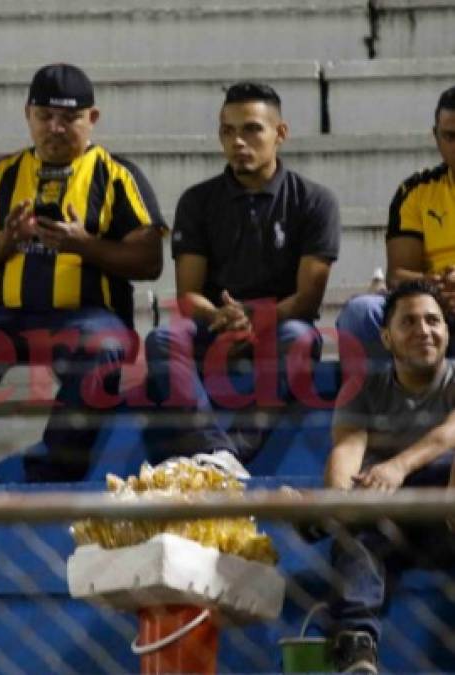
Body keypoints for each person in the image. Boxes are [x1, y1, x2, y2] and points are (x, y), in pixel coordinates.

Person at [0, 63, 165, 484]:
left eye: (69, 118)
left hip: (89, 319)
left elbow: (150, 260)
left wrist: (82, 243)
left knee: (103, 344)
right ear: (27, 115)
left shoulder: (118, 175)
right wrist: (7, 240)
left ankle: (51, 475)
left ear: (93, 119)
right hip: (12, 320)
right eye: (44, 116)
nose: (55, 128)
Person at [145, 81, 340, 463]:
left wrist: (257, 318)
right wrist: (221, 317)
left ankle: (233, 451)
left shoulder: (315, 201)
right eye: (228, 131)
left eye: (251, 129)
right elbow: (189, 295)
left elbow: (307, 299)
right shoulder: (198, 200)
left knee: (300, 339)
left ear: (280, 133)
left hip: (281, 325)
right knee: (163, 340)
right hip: (215, 325)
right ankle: (214, 450)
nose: (238, 142)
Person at [325, 280, 455, 674]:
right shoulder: (362, 388)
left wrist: (397, 466)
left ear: (448, 331)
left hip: (445, 512)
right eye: (409, 322)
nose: (424, 331)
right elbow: (347, 450)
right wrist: (338, 503)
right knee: (354, 530)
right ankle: (358, 648)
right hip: (386, 514)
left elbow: (450, 433)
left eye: (433, 320)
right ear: (386, 337)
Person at [337, 85, 455, 370]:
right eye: (450, 136)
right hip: (433, 306)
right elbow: (399, 275)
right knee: (361, 313)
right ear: (435, 137)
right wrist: (438, 288)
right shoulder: (416, 192)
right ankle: (376, 412)